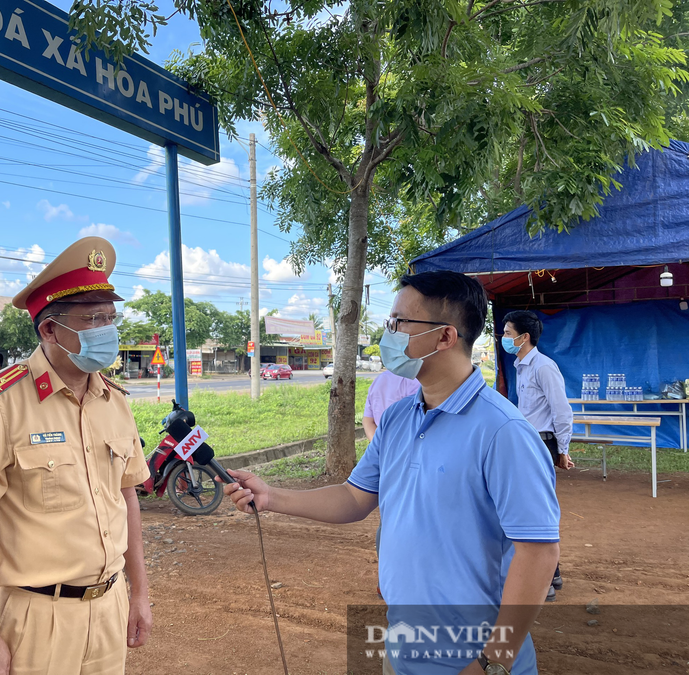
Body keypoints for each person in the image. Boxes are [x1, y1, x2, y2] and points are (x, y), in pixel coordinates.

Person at [224, 271, 560, 675]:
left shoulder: (504, 432)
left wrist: (493, 662)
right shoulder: (399, 417)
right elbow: (354, 497)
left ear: (445, 337)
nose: (389, 334)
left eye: (400, 323)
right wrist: (271, 496)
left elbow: (538, 553)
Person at [0, 236, 152, 675]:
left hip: (110, 607)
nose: (106, 329)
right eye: (92, 318)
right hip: (37, 617)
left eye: (111, 317)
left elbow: (126, 498)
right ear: (50, 329)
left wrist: (140, 593)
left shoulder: (116, 401)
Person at [502, 310, 574, 603]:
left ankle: (545, 581)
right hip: (527, 444)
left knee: (535, 510)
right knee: (529, 509)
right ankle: (551, 574)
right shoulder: (521, 366)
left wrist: (562, 449)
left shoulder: (543, 366)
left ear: (524, 337)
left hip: (541, 444)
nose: (504, 338)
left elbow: (561, 410)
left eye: (507, 333)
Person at [362, 369, 420, 594]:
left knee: (388, 518)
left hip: (385, 459)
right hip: (409, 458)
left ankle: (385, 579)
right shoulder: (415, 381)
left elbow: (368, 421)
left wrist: (381, 448)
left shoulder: (379, 381)